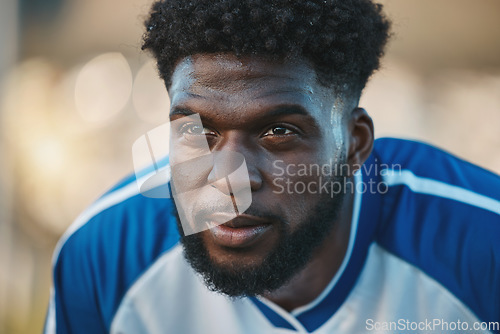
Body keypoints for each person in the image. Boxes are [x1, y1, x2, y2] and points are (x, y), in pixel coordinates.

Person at [44, 0, 500, 333]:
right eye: (198, 133)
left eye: (278, 132)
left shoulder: (482, 247)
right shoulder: (105, 256)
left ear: (355, 144)